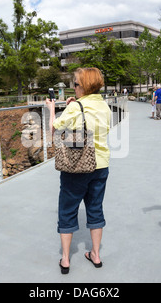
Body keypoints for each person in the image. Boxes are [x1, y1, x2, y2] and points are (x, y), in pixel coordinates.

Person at [45, 67, 111, 274]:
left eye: (75, 84)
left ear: (83, 86)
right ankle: (96, 254)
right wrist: (74, 107)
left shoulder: (76, 107)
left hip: (77, 167)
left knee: (67, 210)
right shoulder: (105, 107)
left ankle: (65, 259)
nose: (73, 87)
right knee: (95, 208)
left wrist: (52, 109)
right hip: (100, 165)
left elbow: (54, 130)